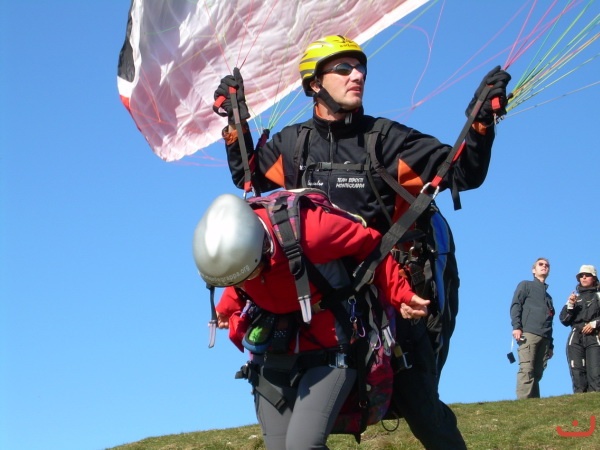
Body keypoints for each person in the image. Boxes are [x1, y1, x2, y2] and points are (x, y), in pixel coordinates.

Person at [214, 35, 510, 448]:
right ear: (314, 84)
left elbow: (460, 173)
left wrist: (481, 124)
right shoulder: (292, 144)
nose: (357, 75)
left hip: (383, 295)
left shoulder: (386, 140)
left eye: (361, 68)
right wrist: (234, 124)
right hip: (316, 303)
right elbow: (249, 176)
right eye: (343, 69)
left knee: (421, 408)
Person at [193, 192, 429, 450]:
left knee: (303, 446)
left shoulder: (314, 231)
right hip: (274, 349)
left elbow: (372, 249)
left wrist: (401, 294)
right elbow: (239, 283)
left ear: (261, 247)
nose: (245, 281)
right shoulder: (238, 255)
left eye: (249, 274)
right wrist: (227, 308)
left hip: (330, 348)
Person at [510, 258, 555, 399]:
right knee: (527, 368)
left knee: (538, 372)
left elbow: (550, 320)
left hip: (545, 337)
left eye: (547, 265)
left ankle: (534, 404)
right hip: (528, 333)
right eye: (540, 264)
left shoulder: (548, 297)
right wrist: (517, 327)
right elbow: (516, 305)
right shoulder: (526, 285)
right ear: (533, 270)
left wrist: (551, 345)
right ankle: (523, 403)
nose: (544, 266)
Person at [559, 265, 600, 393]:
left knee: (595, 372)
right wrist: (570, 305)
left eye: (587, 275)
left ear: (594, 278)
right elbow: (564, 320)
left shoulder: (598, 296)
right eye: (581, 276)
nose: (584, 277)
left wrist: (595, 324)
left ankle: (595, 402)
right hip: (576, 336)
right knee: (577, 372)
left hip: (595, 337)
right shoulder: (575, 297)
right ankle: (580, 401)